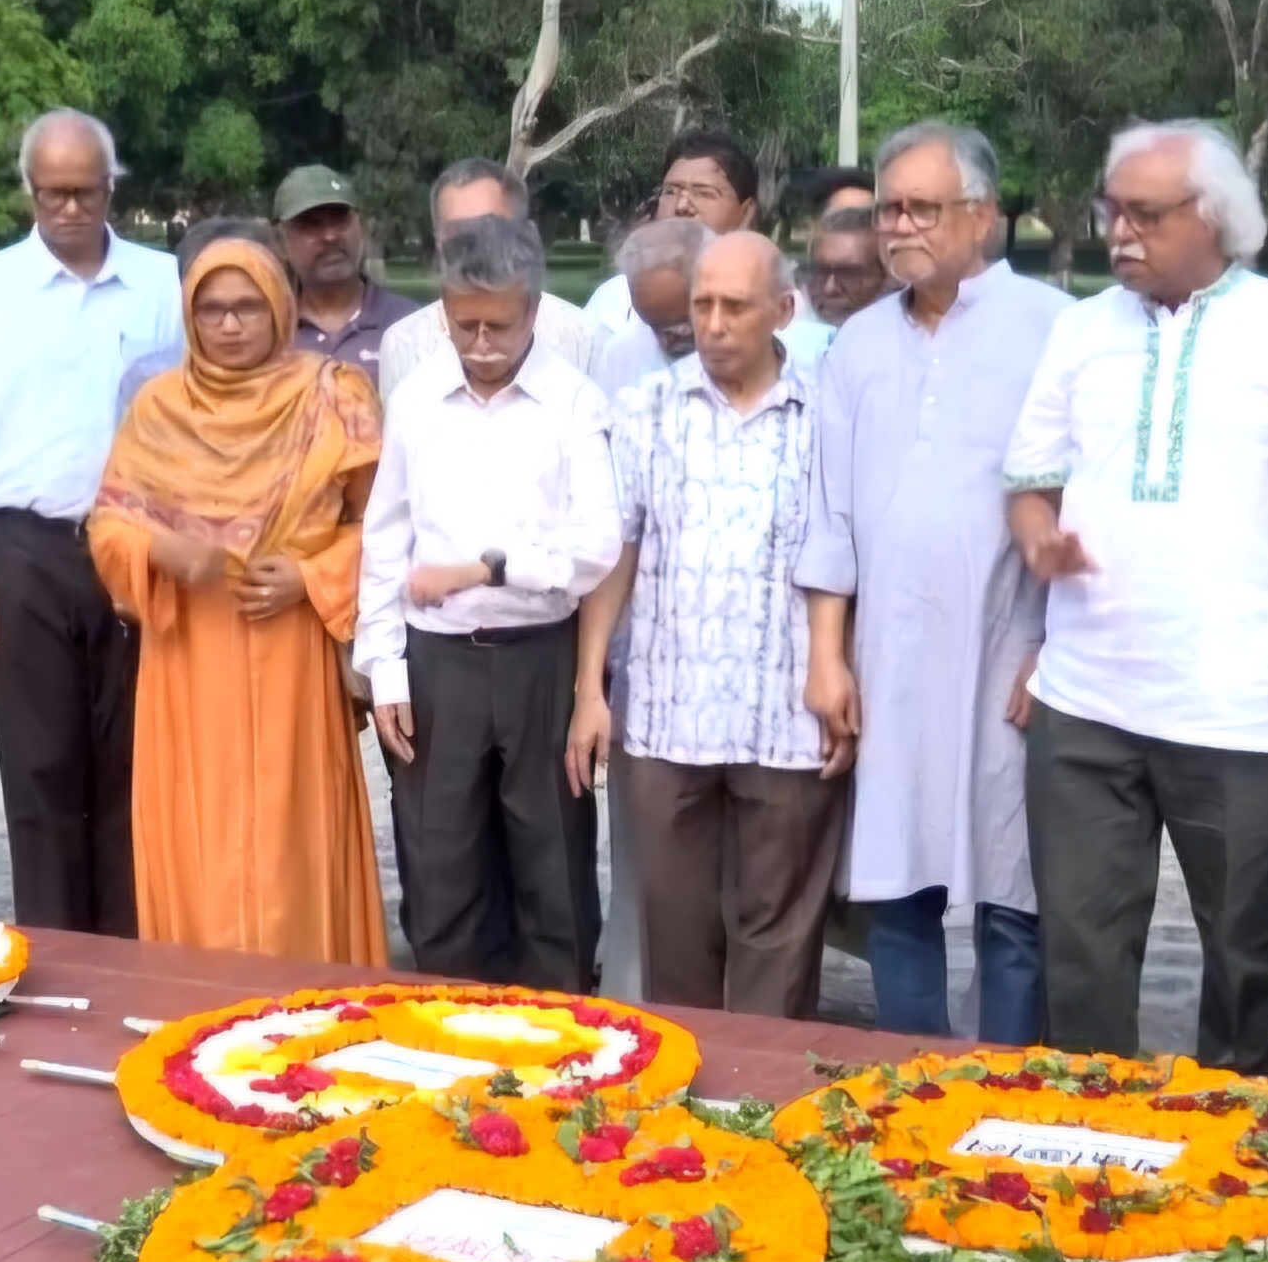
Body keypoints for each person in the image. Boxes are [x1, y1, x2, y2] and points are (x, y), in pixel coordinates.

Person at [1004, 121, 1268, 1073]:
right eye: (1111, 210)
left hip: (1241, 710)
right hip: (1085, 702)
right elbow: (1031, 476)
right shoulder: (1080, 331)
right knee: (1080, 951)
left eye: (1145, 214)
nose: (1120, 231)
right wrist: (1039, 536)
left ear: (1216, 217)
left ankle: (1244, 1151)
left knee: (1250, 958)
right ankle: (1086, 1146)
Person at [799, 121, 1067, 1042]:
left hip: (1011, 652)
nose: (899, 227)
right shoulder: (859, 344)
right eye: (890, 209)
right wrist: (827, 658)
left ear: (982, 216)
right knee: (898, 889)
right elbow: (829, 517)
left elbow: (1085, 508)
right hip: (890, 660)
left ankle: (1006, 1088)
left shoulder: (1052, 331)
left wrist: (1055, 652)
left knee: (1012, 892)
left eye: (923, 208)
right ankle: (908, 1090)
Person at [90, 234, 391, 959]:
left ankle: (311, 997)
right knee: (201, 827)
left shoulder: (333, 396)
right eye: (212, 311)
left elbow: (381, 526)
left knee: (291, 830)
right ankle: (201, 996)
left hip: (291, 649)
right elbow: (108, 523)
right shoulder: (160, 407)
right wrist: (164, 550)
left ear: (280, 308)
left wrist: (308, 576)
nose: (229, 325)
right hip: (190, 651)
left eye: (248, 308)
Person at [573, 231, 845, 1014]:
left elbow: (845, 552)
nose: (715, 323)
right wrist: (592, 687)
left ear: (784, 311)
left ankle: (766, 1102)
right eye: (703, 305)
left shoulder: (826, 414)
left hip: (788, 719)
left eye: (736, 306)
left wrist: (837, 669)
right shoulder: (646, 409)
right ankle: (690, 1101)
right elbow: (615, 553)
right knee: (677, 936)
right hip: (665, 719)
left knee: (780, 940)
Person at [0, 108, 180, 935]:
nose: (69, 210)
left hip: (136, 548)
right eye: (51, 194)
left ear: (112, 187)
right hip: (25, 552)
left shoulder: (162, 284)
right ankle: (59, 947)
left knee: (131, 762)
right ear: (28, 192)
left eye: (84, 192)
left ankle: (130, 950)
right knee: (39, 767)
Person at [359, 215, 618, 983]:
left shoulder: (574, 403)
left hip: (542, 657)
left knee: (554, 868)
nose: (478, 343)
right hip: (437, 663)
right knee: (441, 866)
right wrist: (385, 672)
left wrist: (487, 570)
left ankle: (565, 1041)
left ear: (534, 310)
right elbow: (385, 543)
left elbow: (596, 544)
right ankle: (449, 1036)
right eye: (462, 323)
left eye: (497, 326)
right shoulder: (414, 401)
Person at [377, 157, 614, 400]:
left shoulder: (587, 341)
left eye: (490, 229)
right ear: (437, 240)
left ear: (527, 234)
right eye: (457, 235)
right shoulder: (402, 344)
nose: (476, 247)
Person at [580, 131, 762, 336]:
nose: (682, 206)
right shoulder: (614, 298)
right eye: (670, 191)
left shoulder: (772, 301)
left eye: (704, 193)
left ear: (746, 211)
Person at [272, 165, 420, 375]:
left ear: (361, 225)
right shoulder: (269, 331)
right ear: (280, 240)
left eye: (340, 219)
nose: (330, 236)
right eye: (311, 224)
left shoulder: (410, 323)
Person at [590, 216, 704, 400]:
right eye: (655, 328)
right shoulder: (620, 352)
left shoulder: (755, 344)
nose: (669, 341)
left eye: (682, 326)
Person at [793, 200, 881, 373]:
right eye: (818, 271)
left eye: (849, 274)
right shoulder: (783, 356)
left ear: (889, 276)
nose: (830, 288)